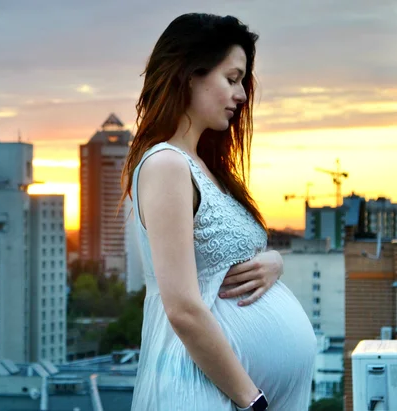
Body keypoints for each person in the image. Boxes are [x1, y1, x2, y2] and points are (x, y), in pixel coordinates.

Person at [120, 13, 317, 410]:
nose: (242, 95)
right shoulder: (166, 165)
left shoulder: (204, 166)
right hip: (201, 392)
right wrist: (252, 400)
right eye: (232, 79)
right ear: (191, 75)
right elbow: (183, 308)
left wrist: (274, 262)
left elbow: (220, 259)